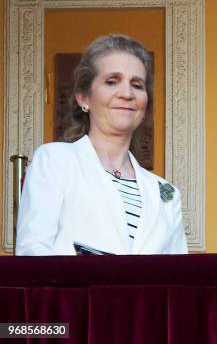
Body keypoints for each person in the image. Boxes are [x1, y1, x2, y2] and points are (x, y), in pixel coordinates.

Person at [16, 34, 188, 255]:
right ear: (83, 98)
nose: (127, 94)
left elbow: (178, 275)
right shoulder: (54, 160)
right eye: (112, 81)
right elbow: (33, 252)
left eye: (137, 85)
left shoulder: (167, 193)